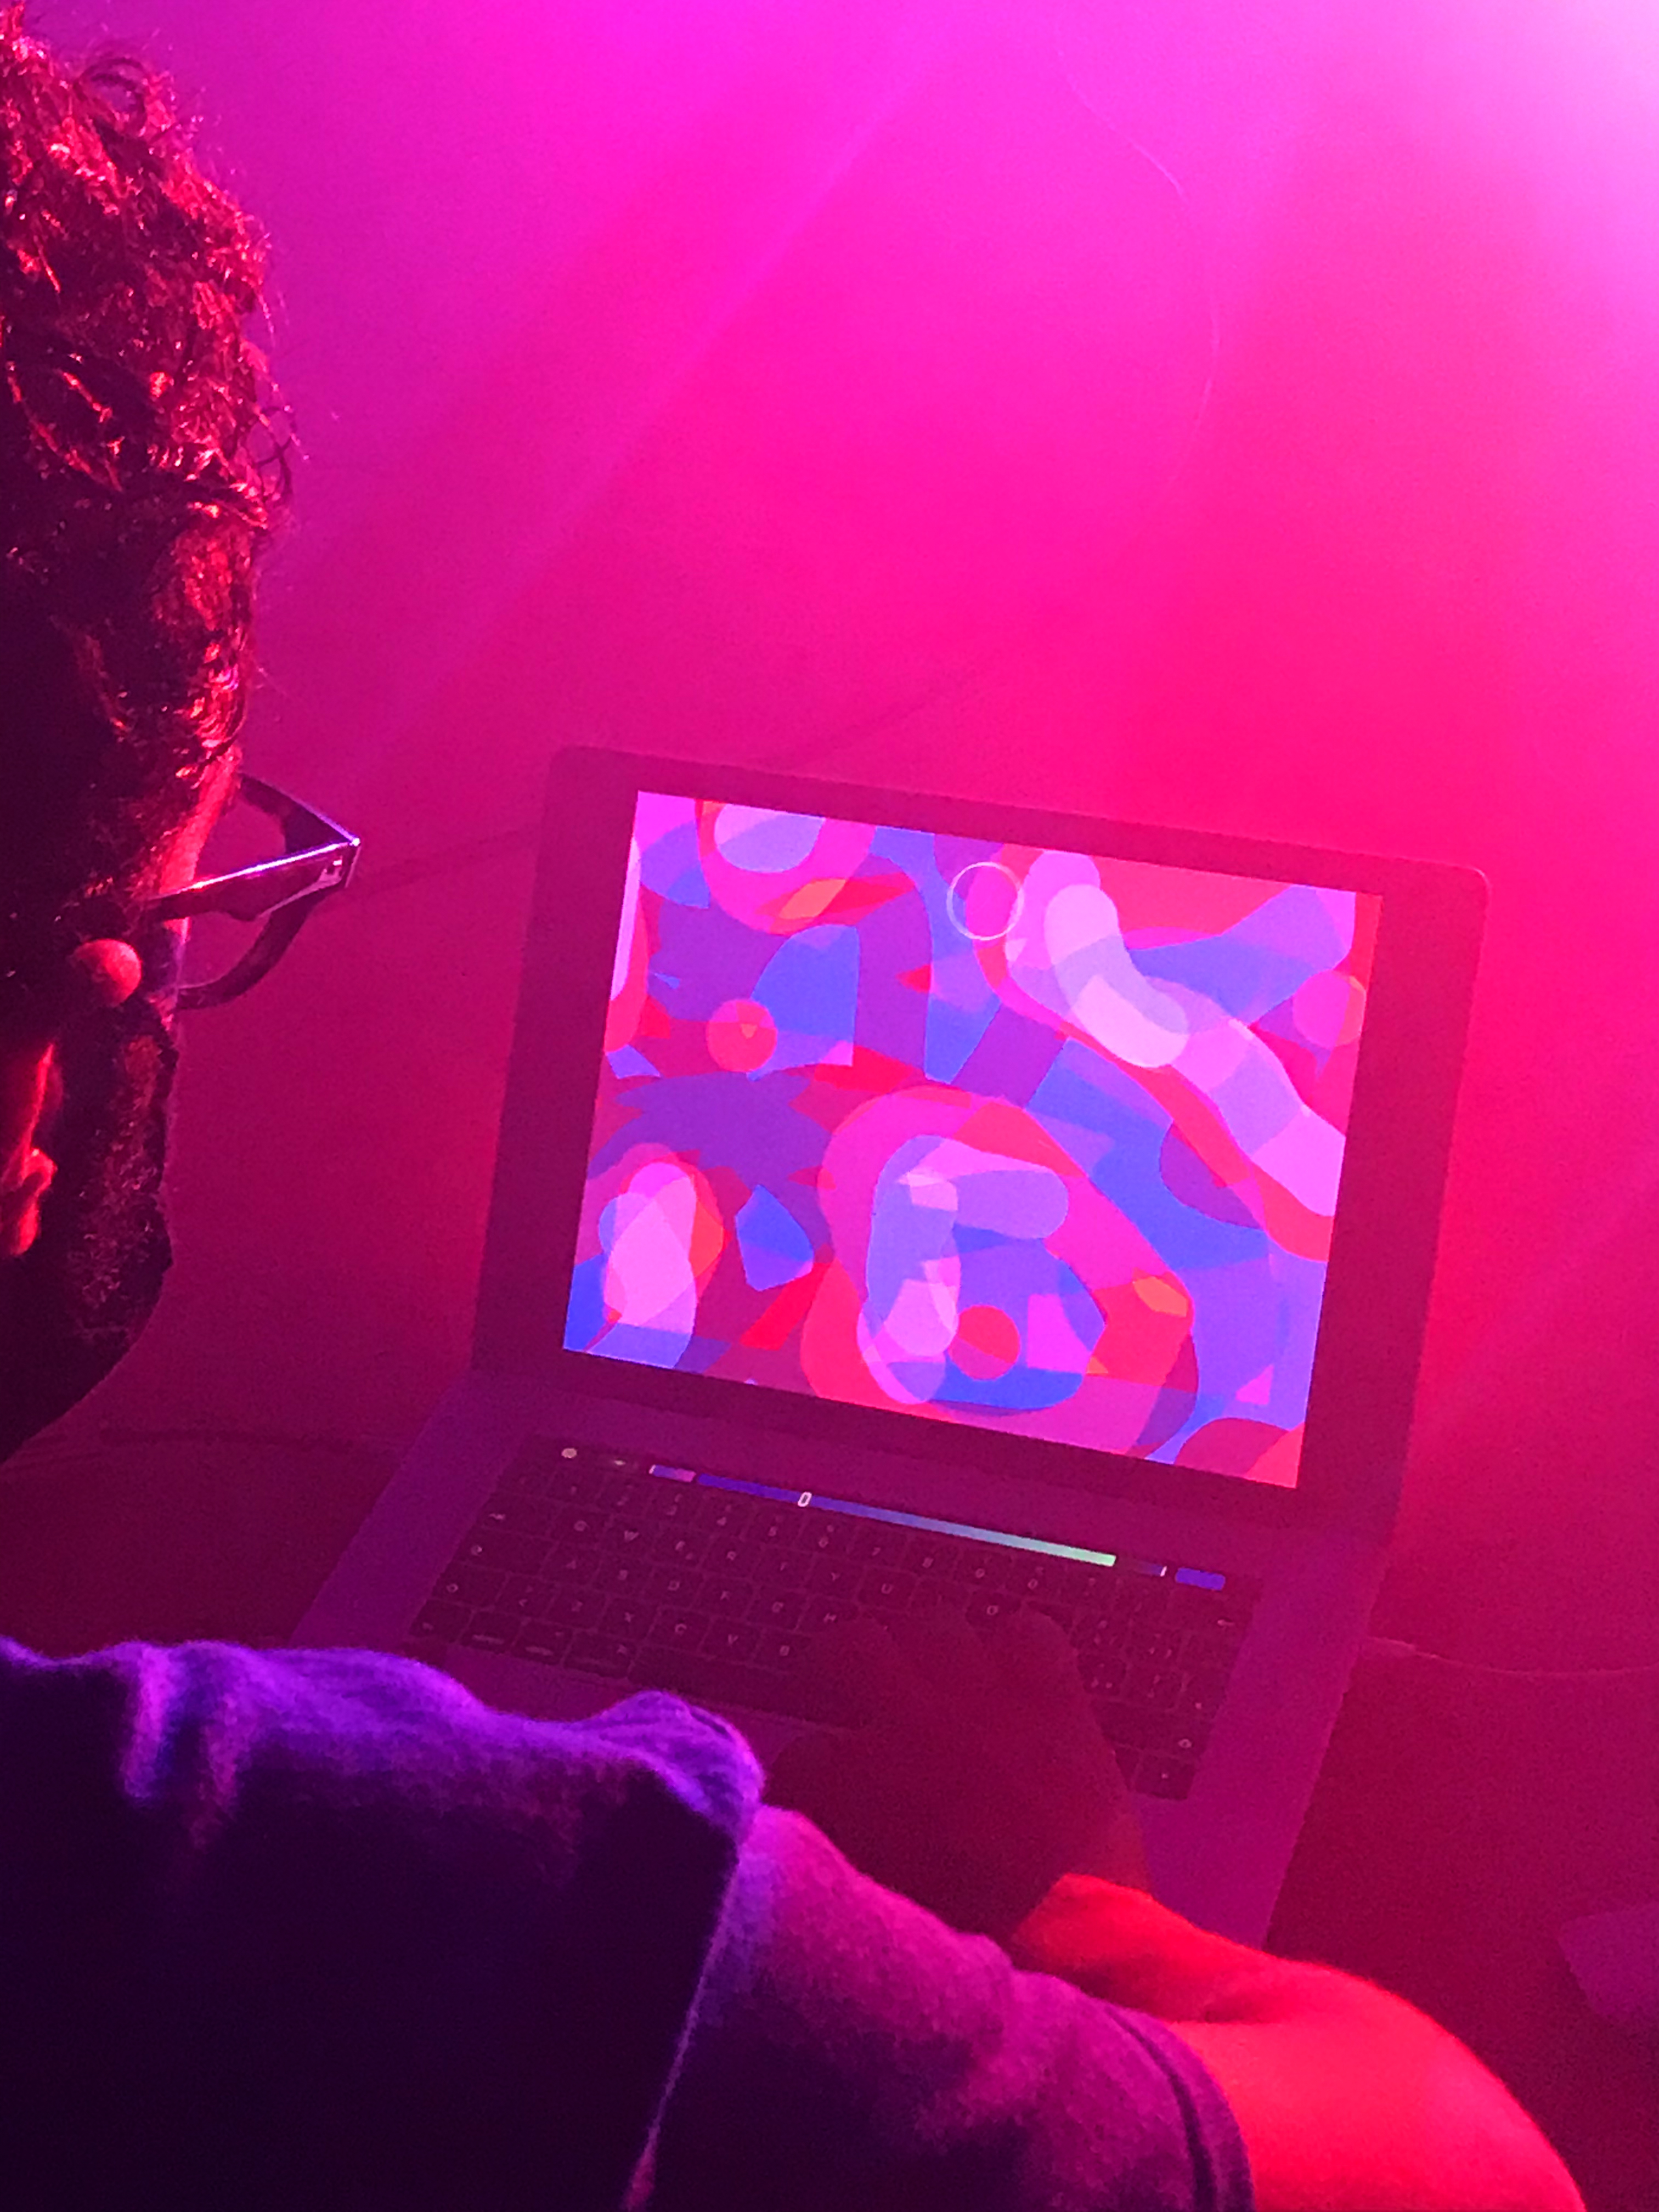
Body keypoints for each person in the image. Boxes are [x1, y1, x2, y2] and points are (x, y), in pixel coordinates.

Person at [0, 14, 1584, 2208]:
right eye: (196, 914)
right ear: (39, 1073)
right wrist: (1080, 1878)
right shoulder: (404, 1898)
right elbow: (1475, 2167)